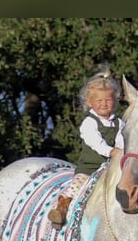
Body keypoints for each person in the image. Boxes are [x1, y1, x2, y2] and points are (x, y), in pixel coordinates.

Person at [48, 66, 125, 229]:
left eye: (108, 100)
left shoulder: (119, 123)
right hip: (89, 169)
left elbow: (122, 140)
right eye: (99, 101)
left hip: (112, 169)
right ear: (89, 102)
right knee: (75, 188)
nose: (104, 104)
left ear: (115, 101)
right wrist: (112, 152)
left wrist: (120, 150)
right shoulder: (89, 123)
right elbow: (96, 143)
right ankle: (60, 210)